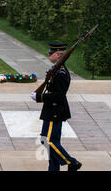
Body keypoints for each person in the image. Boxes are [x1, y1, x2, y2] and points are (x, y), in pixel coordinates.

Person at [30, 43, 82, 171]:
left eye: (51, 53)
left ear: (58, 54)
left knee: (48, 141)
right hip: (51, 110)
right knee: (51, 142)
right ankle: (53, 169)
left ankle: (71, 162)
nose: (48, 54)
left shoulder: (61, 73)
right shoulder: (57, 70)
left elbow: (58, 95)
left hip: (55, 110)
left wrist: (39, 97)